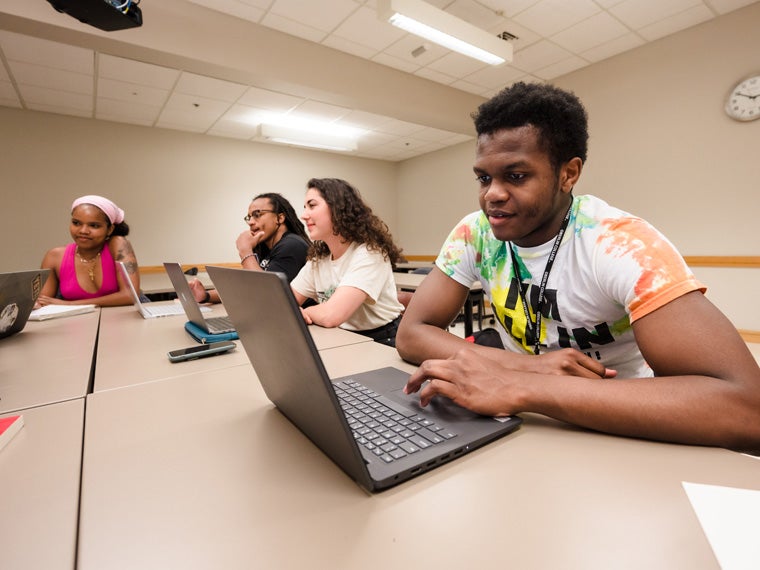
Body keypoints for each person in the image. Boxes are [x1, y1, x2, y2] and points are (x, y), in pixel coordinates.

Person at [396, 82, 760, 452]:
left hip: (616, 424)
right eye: (484, 178)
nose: (492, 194)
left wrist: (524, 386)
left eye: (516, 176)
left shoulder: (620, 243)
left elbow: (745, 407)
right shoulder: (474, 233)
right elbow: (411, 333)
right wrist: (525, 369)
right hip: (517, 418)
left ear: (568, 174)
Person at [290, 178, 405, 346]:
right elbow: (285, 304)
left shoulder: (370, 253)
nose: (304, 215)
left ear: (337, 208)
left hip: (383, 340)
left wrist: (302, 312)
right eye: (305, 207)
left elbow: (331, 316)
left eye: (312, 205)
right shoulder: (319, 259)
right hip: (342, 336)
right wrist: (294, 311)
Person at [188, 192, 310, 304]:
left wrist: (245, 252)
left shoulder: (292, 245)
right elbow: (246, 288)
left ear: (280, 218)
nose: (251, 222)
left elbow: (267, 293)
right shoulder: (265, 247)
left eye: (257, 214)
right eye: (249, 217)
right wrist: (206, 296)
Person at [38, 195, 140, 307]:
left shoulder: (118, 244)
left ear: (110, 229)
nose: (83, 231)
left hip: (123, 319)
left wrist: (70, 304)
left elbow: (130, 295)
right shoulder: (54, 256)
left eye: (94, 225)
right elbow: (43, 303)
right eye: (76, 223)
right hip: (76, 322)